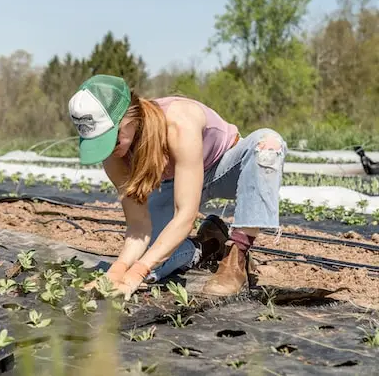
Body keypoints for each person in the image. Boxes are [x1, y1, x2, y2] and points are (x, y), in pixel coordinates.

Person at [69, 74, 287, 298]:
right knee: (151, 262)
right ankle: (208, 244)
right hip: (175, 183)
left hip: (224, 168)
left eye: (112, 139)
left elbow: (185, 215)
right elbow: (138, 226)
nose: (111, 149)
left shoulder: (178, 122)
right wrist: (119, 271)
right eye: (100, 143)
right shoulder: (114, 155)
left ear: (130, 117)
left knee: (268, 144)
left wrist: (137, 272)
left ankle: (237, 256)